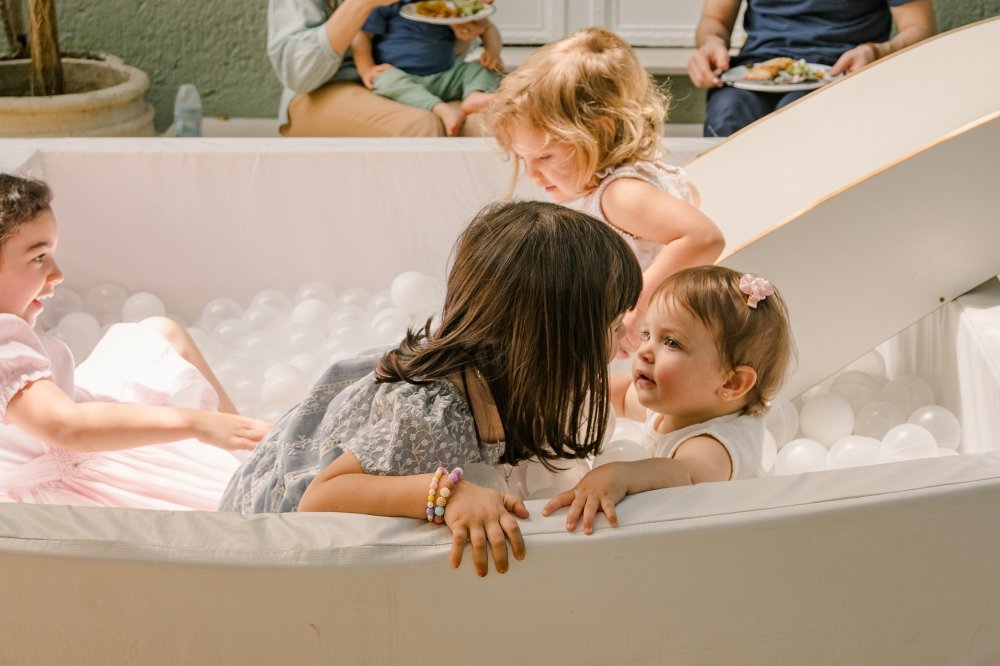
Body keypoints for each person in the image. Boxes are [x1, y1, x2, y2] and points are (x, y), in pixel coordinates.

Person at [219, 200, 643, 577]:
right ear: (553, 345)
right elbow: (321, 498)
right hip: (271, 522)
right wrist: (447, 494)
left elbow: (612, 392)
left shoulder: (519, 371)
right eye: (613, 327)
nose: (625, 337)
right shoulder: (434, 417)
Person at [0, 174, 270, 509]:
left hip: (68, 418)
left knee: (161, 334)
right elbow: (65, 425)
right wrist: (196, 423)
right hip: (69, 470)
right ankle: (254, 459)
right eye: (39, 257)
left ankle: (249, 446)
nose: (58, 274)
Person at [486, 27, 725, 356]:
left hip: (637, 339)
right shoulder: (625, 182)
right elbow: (690, 200)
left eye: (544, 156)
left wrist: (636, 310)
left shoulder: (621, 194)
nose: (533, 174)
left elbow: (704, 237)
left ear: (600, 132)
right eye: (523, 158)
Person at [543, 266, 795, 534]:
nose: (644, 351)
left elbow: (686, 474)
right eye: (647, 335)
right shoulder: (683, 402)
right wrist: (566, 381)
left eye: (672, 343)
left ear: (731, 383)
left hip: (725, 540)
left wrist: (620, 474)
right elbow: (620, 394)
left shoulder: (715, 445)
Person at [687, 0, 937, 137]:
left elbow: (920, 28)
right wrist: (711, 43)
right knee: (728, 115)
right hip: (755, 69)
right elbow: (715, 19)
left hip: (840, 71)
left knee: (796, 121)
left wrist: (876, 52)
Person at [269, 0, 496, 137]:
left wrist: (462, 30)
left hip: (418, 80)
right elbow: (299, 76)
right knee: (420, 127)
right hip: (327, 86)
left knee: (490, 124)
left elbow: (429, 50)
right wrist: (360, 5)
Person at [352, 1, 503, 136]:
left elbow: (488, 28)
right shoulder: (387, 4)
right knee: (383, 79)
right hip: (402, 77)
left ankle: (474, 96)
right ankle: (440, 108)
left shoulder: (450, 6)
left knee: (480, 67)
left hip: (445, 76)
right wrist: (366, 69)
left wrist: (492, 52)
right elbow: (363, 36)